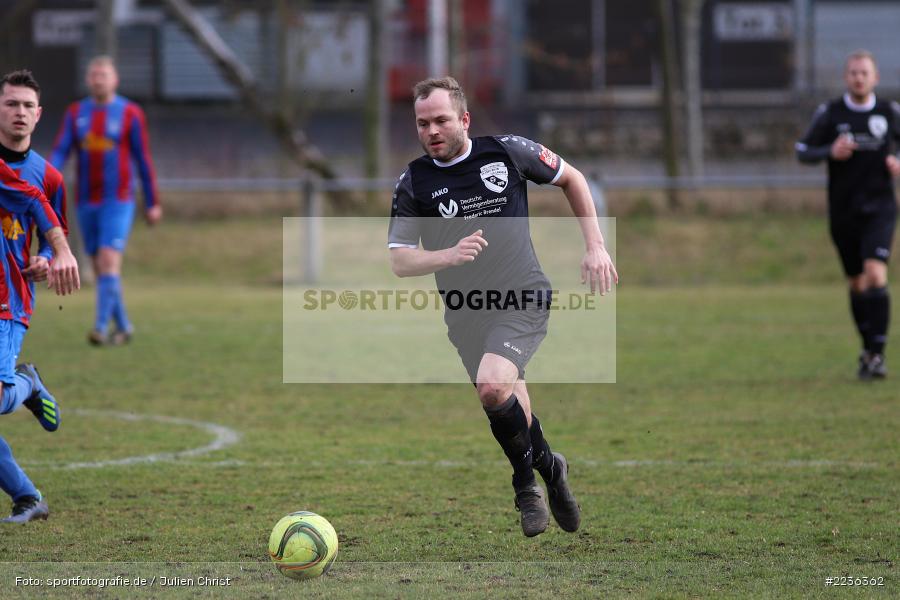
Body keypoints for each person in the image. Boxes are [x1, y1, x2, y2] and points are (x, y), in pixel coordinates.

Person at [388, 77, 617, 537]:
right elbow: (399, 259)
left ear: (464, 120)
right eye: (422, 123)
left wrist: (596, 246)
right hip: (466, 311)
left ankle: (524, 487)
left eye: (440, 120)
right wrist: (446, 256)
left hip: (522, 296)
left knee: (493, 388)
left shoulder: (508, 152)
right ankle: (552, 469)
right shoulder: (415, 180)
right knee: (510, 403)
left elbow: (572, 178)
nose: (431, 130)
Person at [796, 50, 900, 380]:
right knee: (856, 282)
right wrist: (830, 151)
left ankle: (876, 355)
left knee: (875, 274)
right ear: (846, 77)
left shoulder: (889, 112)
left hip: (880, 209)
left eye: (864, 72)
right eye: (853, 72)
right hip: (843, 213)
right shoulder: (830, 113)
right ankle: (869, 350)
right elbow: (802, 151)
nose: (859, 77)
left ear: (875, 78)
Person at [51, 55, 161, 346]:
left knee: (109, 260)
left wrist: (152, 201)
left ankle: (100, 328)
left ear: (115, 79)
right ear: (88, 80)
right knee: (101, 267)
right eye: (94, 74)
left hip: (118, 199)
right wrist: (47, 176)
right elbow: (61, 150)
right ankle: (123, 327)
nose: (98, 79)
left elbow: (143, 159)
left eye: (104, 74)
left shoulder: (130, 113)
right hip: (86, 200)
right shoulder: (76, 113)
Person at [0, 150, 80, 523]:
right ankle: (26, 497)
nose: (18, 112)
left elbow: (37, 202)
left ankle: (26, 384)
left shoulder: (45, 175)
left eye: (25, 104)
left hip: (6, 298)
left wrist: (55, 252)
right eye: (10, 103)